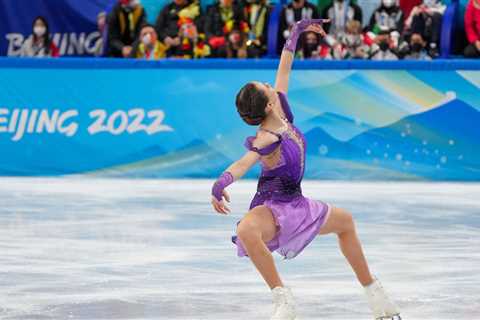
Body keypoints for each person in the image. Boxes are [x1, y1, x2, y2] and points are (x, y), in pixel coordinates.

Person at [210, 18, 402, 320]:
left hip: (298, 203)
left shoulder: (282, 112)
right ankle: (283, 300)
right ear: (268, 105)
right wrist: (221, 183)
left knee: (346, 223)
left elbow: (284, 68)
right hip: (273, 207)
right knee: (247, 229)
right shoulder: (266, 137)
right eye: (267, 88)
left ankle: (377, 298)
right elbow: (244, 162)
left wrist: (297, 31)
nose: (273, 85)